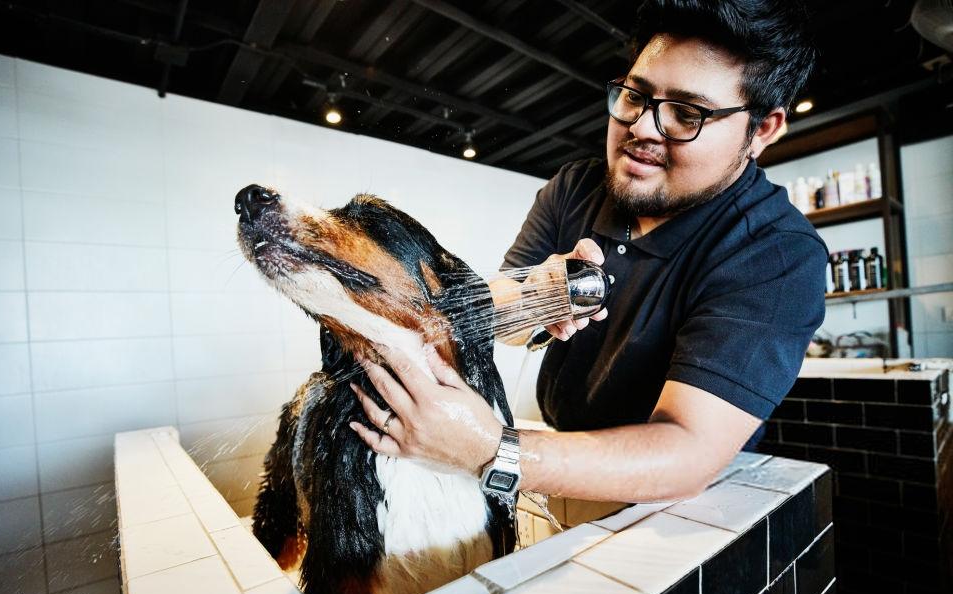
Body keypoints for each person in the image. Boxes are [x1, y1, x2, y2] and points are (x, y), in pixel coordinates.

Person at [348, 0, 826, 503]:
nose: (641, 128)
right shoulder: (577, 187)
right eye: (635, 97)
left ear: (762, 130)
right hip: (558, 456)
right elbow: (499, 313)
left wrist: (493, 451)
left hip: (681, 501)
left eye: (686, 114)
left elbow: (687, 451)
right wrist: (533, 299)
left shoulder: (775, 252)